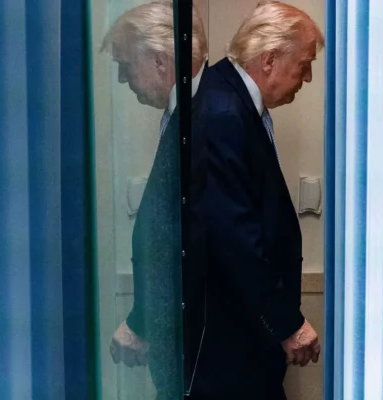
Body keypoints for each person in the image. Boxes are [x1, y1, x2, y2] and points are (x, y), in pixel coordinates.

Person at [186, 1, 325, 399]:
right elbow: (233, 237)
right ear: (269, 59)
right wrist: (286, 323)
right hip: (232, 345)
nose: (308, 77)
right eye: (304, 64)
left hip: (239, 338)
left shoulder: (228, 100)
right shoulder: (223, 113)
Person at [100, 1, 208, 398]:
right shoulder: (186, 116)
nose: (122, 79)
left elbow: (190, 245)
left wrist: (141, 321)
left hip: (201, 361)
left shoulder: (206, 119)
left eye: (126, 65)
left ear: (161, 61)